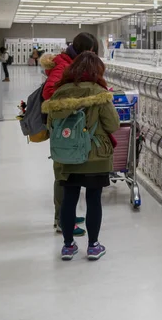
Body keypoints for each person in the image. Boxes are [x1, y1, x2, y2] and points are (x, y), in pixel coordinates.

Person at [42, 52, 120, 261]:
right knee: (94, 199)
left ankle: (68, 246)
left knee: (69, 199)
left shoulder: (59, 93)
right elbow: (113, 125)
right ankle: (93, 246)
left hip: (67, 155)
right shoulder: (99, 93)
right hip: (95, 156)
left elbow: (50, 124)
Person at [41, 32, 99, 236]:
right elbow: (49, 93)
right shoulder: (63, 65)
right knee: (63, 174)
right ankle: (61, 220)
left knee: (67, 174)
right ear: (83, 50)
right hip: (63, 128)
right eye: (91, 52)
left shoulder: (69, 62)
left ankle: (68, 216)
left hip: (69, 127)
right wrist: (75, 97)